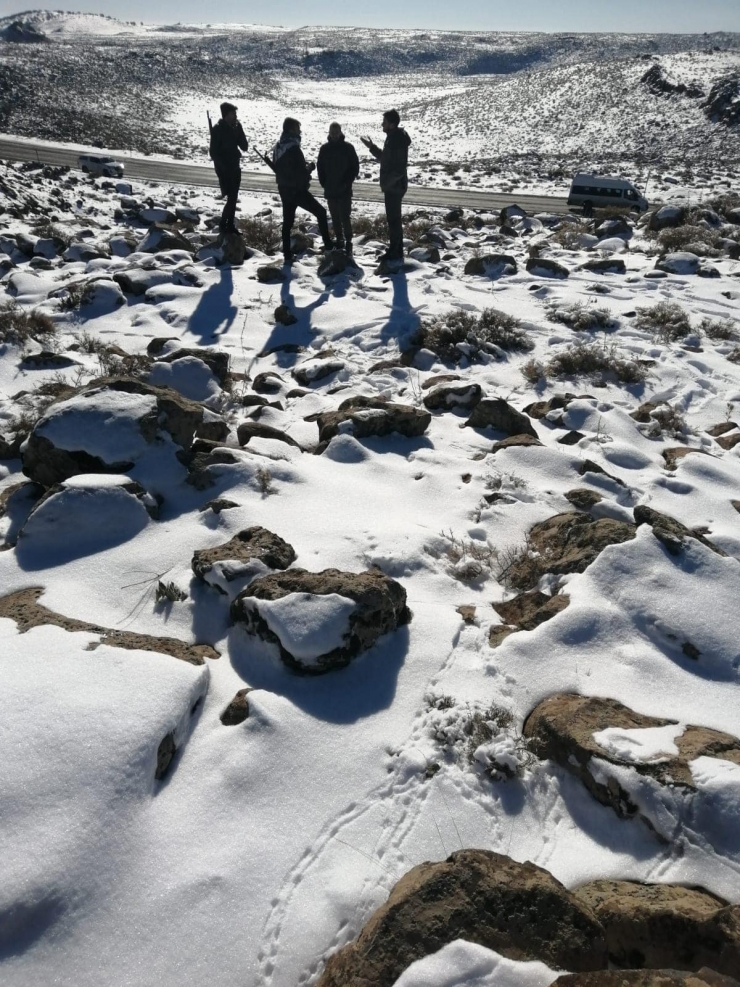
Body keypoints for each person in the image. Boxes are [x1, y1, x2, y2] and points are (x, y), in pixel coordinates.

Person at [272, 117, 333, 264]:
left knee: (287, 223)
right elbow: (300, 173)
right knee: (321, 213)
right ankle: (329, 248)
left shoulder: (278, 147)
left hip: (284, 189)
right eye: (298, 128)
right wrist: (310, 168)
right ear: (292, 130)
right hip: (297, 191)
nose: (300, 131)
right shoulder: (294, 148)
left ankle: (287, 255)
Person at [361, 110, 412, 262]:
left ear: (392, 124)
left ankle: (395, 252)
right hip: (394, 186)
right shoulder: (394, 138)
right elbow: (386, 158)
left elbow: (399, 168)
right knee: (393, 220)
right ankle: (395, 250)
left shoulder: (396, 140)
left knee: (394, 220)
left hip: (394, 187)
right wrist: (372, 147)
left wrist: (389, 183)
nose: (382, 124)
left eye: (384, 122)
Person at [317, 122, 360, 258]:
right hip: (330, 189)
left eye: (336, 132)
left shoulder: (348, 148)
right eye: (332, 132)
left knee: (345, 216)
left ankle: (348, 242)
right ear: (329, 133)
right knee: (335, 217)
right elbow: (320, 168)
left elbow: (355, 167)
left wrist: (347, 182)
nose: (334, 135)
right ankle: (339, 240)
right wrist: (324, 183)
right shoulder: (324, 149)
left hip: (344, 189)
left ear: (340, 132)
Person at [209, 102, 249, 235]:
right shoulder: (217, 129)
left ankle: (229, 225)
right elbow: (213, 153)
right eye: (233, 113)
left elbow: (244, 146)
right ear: (226, 115)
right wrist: (222, 168)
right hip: (225, 169)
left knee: (233, 197)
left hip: (235, 167)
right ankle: (224, 225)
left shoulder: (236, 128)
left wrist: (238, 131)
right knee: (231, 198)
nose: (235, 116)